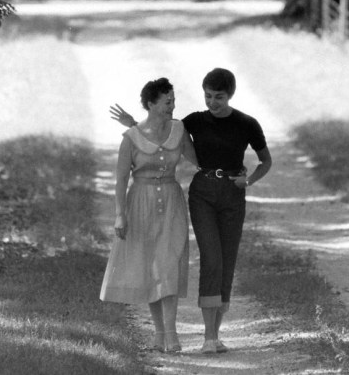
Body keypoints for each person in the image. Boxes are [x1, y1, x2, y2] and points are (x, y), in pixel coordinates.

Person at [110, 67, 272, 354]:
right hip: (180, 197)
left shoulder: (233, 124)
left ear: (230, 95)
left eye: (218, 97)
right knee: (192, 260)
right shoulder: (187, 123)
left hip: (209, 197)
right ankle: (188, 336)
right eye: (207, 96)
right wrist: (133, 124)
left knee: (201, 263)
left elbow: (257, 161)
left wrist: (242, 176)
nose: (211, 102)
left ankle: (204, 334)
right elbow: (153, 138)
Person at [100, 77, 197, 354]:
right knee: (151, 268)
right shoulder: (131, 138)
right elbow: (120, 180)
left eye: (174, 101)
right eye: (167, 102)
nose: (173, 106)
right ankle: (159, 334)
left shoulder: (180, 130)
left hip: (171, 202)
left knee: (168, 263)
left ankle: (172, 334)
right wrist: (120, 215)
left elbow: (198, 160)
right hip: (140, 202)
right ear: (151, 104)